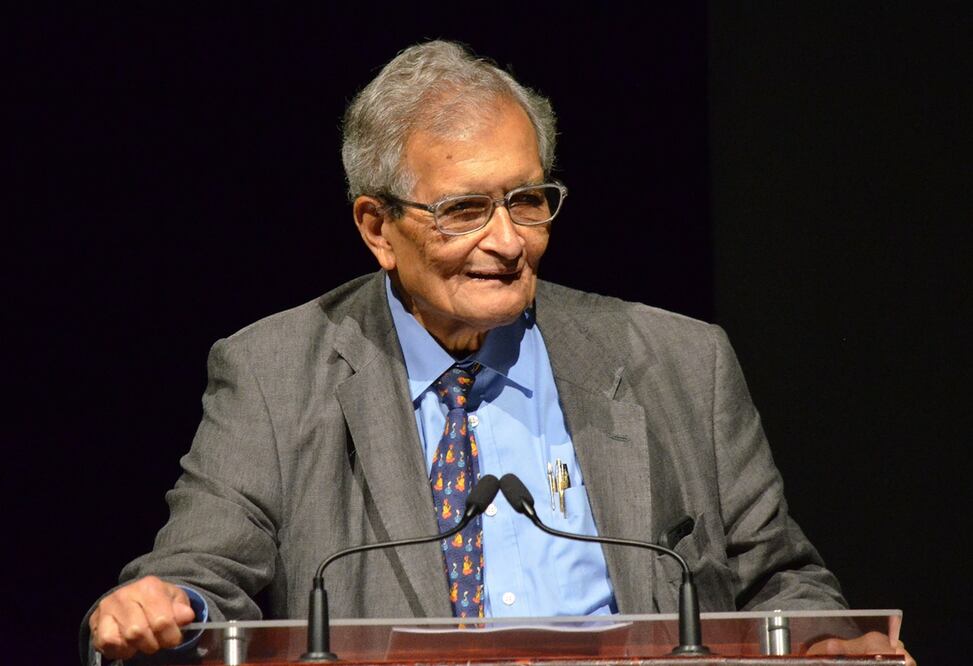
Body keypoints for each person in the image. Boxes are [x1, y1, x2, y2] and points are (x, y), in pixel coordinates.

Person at [83, 40, 912, 664]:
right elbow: (202, 575)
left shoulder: (680, 363)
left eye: (526, 200)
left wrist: (825, 645)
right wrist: (168, 606)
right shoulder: (274, 374)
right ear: (377, 227)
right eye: (463, 210)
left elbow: (780, 582)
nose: (507, 241)